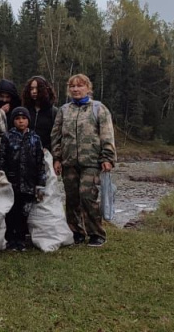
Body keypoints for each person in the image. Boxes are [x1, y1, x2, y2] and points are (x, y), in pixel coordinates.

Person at [51, 74, 116, 247]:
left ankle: (96, 233)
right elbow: (56, 136)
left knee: (87, 196)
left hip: (92, 163)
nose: (76, 89)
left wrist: (108, 158)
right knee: (72, 198)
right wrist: (57, 158)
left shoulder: (98, 108)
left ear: (88, 88)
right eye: (72, 86)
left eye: (80, 86)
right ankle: (76, 232)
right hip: (69, 162)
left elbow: (107, 135)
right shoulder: (64, 110)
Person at [0, 107, 47, 251]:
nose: (21, 121)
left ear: (28, 121)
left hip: (29, 183)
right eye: (18, 119)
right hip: (12, 183)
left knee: (24, 212)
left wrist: (40, 183)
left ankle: (20, 239)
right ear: (13, 121)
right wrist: (2, 178)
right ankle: (10, 239)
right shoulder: (7, 137)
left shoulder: (35, 138)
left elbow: (40, 162)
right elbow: (2, 158)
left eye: (24, 118)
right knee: (11, 212)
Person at [21, 76, 58, 151]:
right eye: (31, 89)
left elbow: (56, 136)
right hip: (26, 153)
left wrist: (48, 148)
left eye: (37, 88)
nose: (34, 91)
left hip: (46, 153)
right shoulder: (25, 110)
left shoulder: (53, 112)